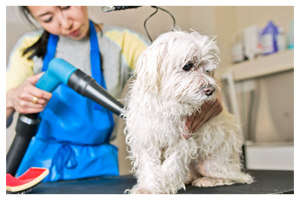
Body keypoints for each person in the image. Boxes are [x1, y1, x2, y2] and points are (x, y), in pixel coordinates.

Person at [5, 4, 222, 182]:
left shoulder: (124, 41)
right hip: (37, 163)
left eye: (66, 6)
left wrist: (208, 88)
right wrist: (10, 98)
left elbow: (171, 70)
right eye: (47, 18)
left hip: (98, 163)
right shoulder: (28, 47)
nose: (65, 23)